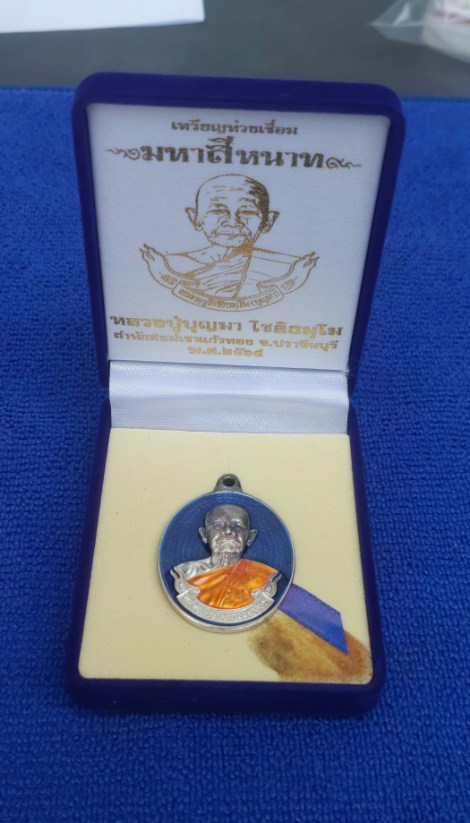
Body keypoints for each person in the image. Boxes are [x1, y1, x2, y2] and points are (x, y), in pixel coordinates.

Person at [141, 174, 318, 307]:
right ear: (195, 218)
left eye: (247, 212)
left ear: (268, 221)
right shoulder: (172, 264)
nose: (233, 222)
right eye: (217, 211)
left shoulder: (284, 266)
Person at [171, 503, 280, 612]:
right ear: (204, 535)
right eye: (218, 526)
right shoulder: (185, 573)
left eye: (237, 527)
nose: (228, 531)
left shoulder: (264, 576)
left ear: (250, 536)